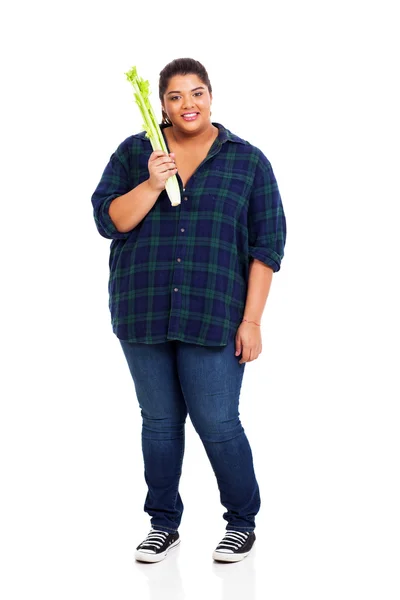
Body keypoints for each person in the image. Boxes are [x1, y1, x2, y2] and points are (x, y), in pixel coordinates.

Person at [91, 58, 286, 563]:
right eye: (175, 97)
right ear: (161, 104)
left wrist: (252, 320)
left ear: (211, 97)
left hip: (215, 315)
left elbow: (267, 246)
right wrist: (153, 184)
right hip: (142, 310)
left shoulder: (247, 161)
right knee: (158, 423)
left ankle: (242, 522)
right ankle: (163, 523)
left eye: (196, 93)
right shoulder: (136, 153)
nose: (187, 104)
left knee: (218, 422)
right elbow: (109, 221)